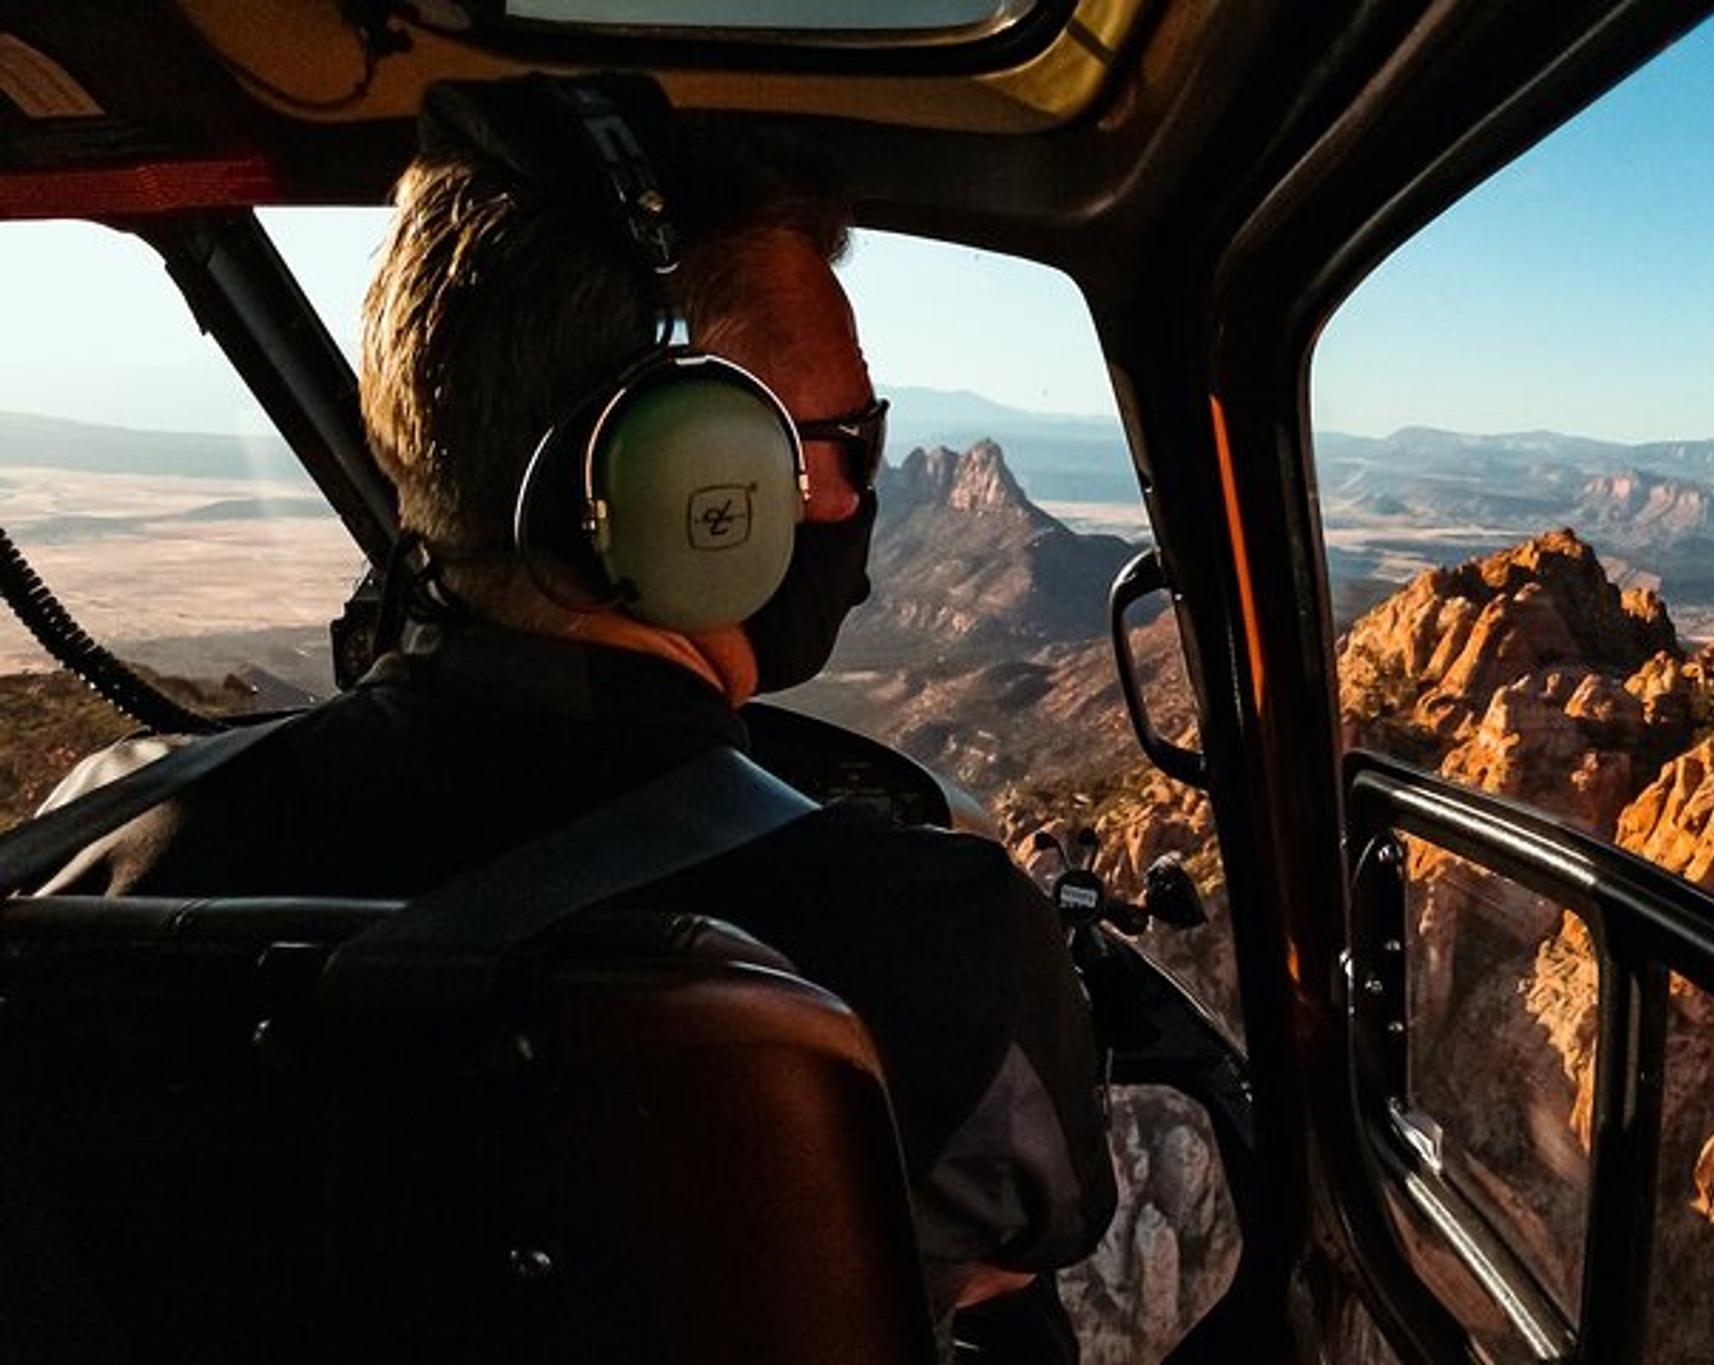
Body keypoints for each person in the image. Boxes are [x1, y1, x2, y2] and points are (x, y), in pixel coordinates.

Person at [39, 74, 1113, 1359]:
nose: (852, 495)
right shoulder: (939, 940)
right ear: (687, 480)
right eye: (844, 437)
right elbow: (1027, 1241)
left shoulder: (89, 855)